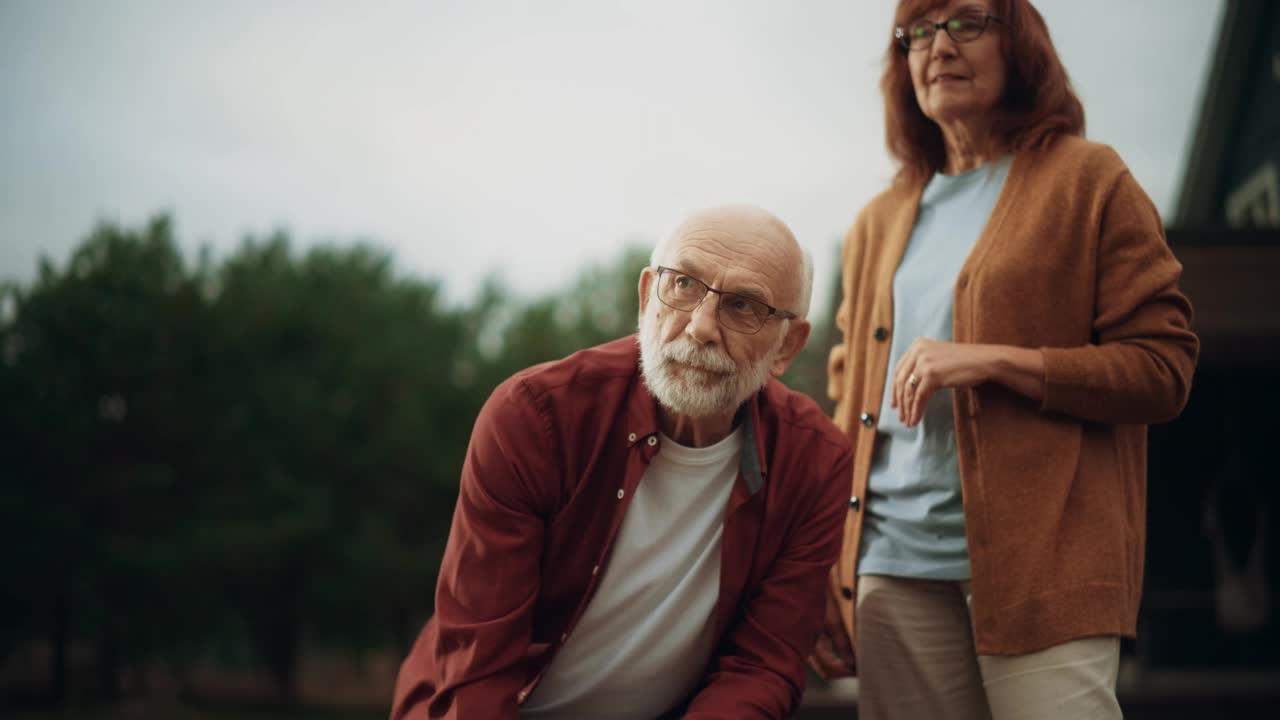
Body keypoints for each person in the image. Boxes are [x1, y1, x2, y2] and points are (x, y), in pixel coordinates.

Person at [808, 1, 1200, 718]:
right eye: (917, 33)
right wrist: (831, 562)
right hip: (891, 572)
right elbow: (848, 405)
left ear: (1019, 42)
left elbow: (1162, 369)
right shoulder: (878, 222)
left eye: (965, 22)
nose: (938, 47)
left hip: (1046, 572)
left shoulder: (1089, 180)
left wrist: (996, 361)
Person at [392, 205, 852, 719]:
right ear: (645, 296)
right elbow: (477, 671)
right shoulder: (536, 418)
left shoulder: (816, 462)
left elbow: (762, 666)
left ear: (788, 345)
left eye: (743, 306)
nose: (699, 327)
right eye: (683, 285)